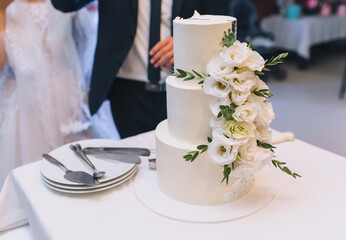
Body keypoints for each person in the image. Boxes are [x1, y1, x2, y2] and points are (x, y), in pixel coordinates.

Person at [51, 0, 227, 139]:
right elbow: (63, 3)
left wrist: (189, 42)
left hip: (186, 91)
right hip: (127, 94)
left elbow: (224, 28)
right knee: (136, 169)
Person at [0, 0, 116, 188]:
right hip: (26, 113)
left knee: (82, 179)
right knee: (33, 184)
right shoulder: (7, 8)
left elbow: (87, 49)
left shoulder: (64, 3)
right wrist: (2, 11)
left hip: (68, 102)